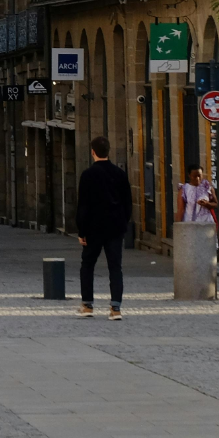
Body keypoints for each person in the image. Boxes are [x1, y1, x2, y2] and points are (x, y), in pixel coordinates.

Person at [76, 136, 132, 320]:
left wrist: (81, 231)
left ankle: (87, 305)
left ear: (93, 152)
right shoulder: (120, 174)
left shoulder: (88, 175)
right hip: (115, 227)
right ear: (108, 151)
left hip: (93, 228)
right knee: (115, 267)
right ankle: (115, 308)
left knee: (88, 265)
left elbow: (83, 205)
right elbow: (128, 203)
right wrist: (123, 222)